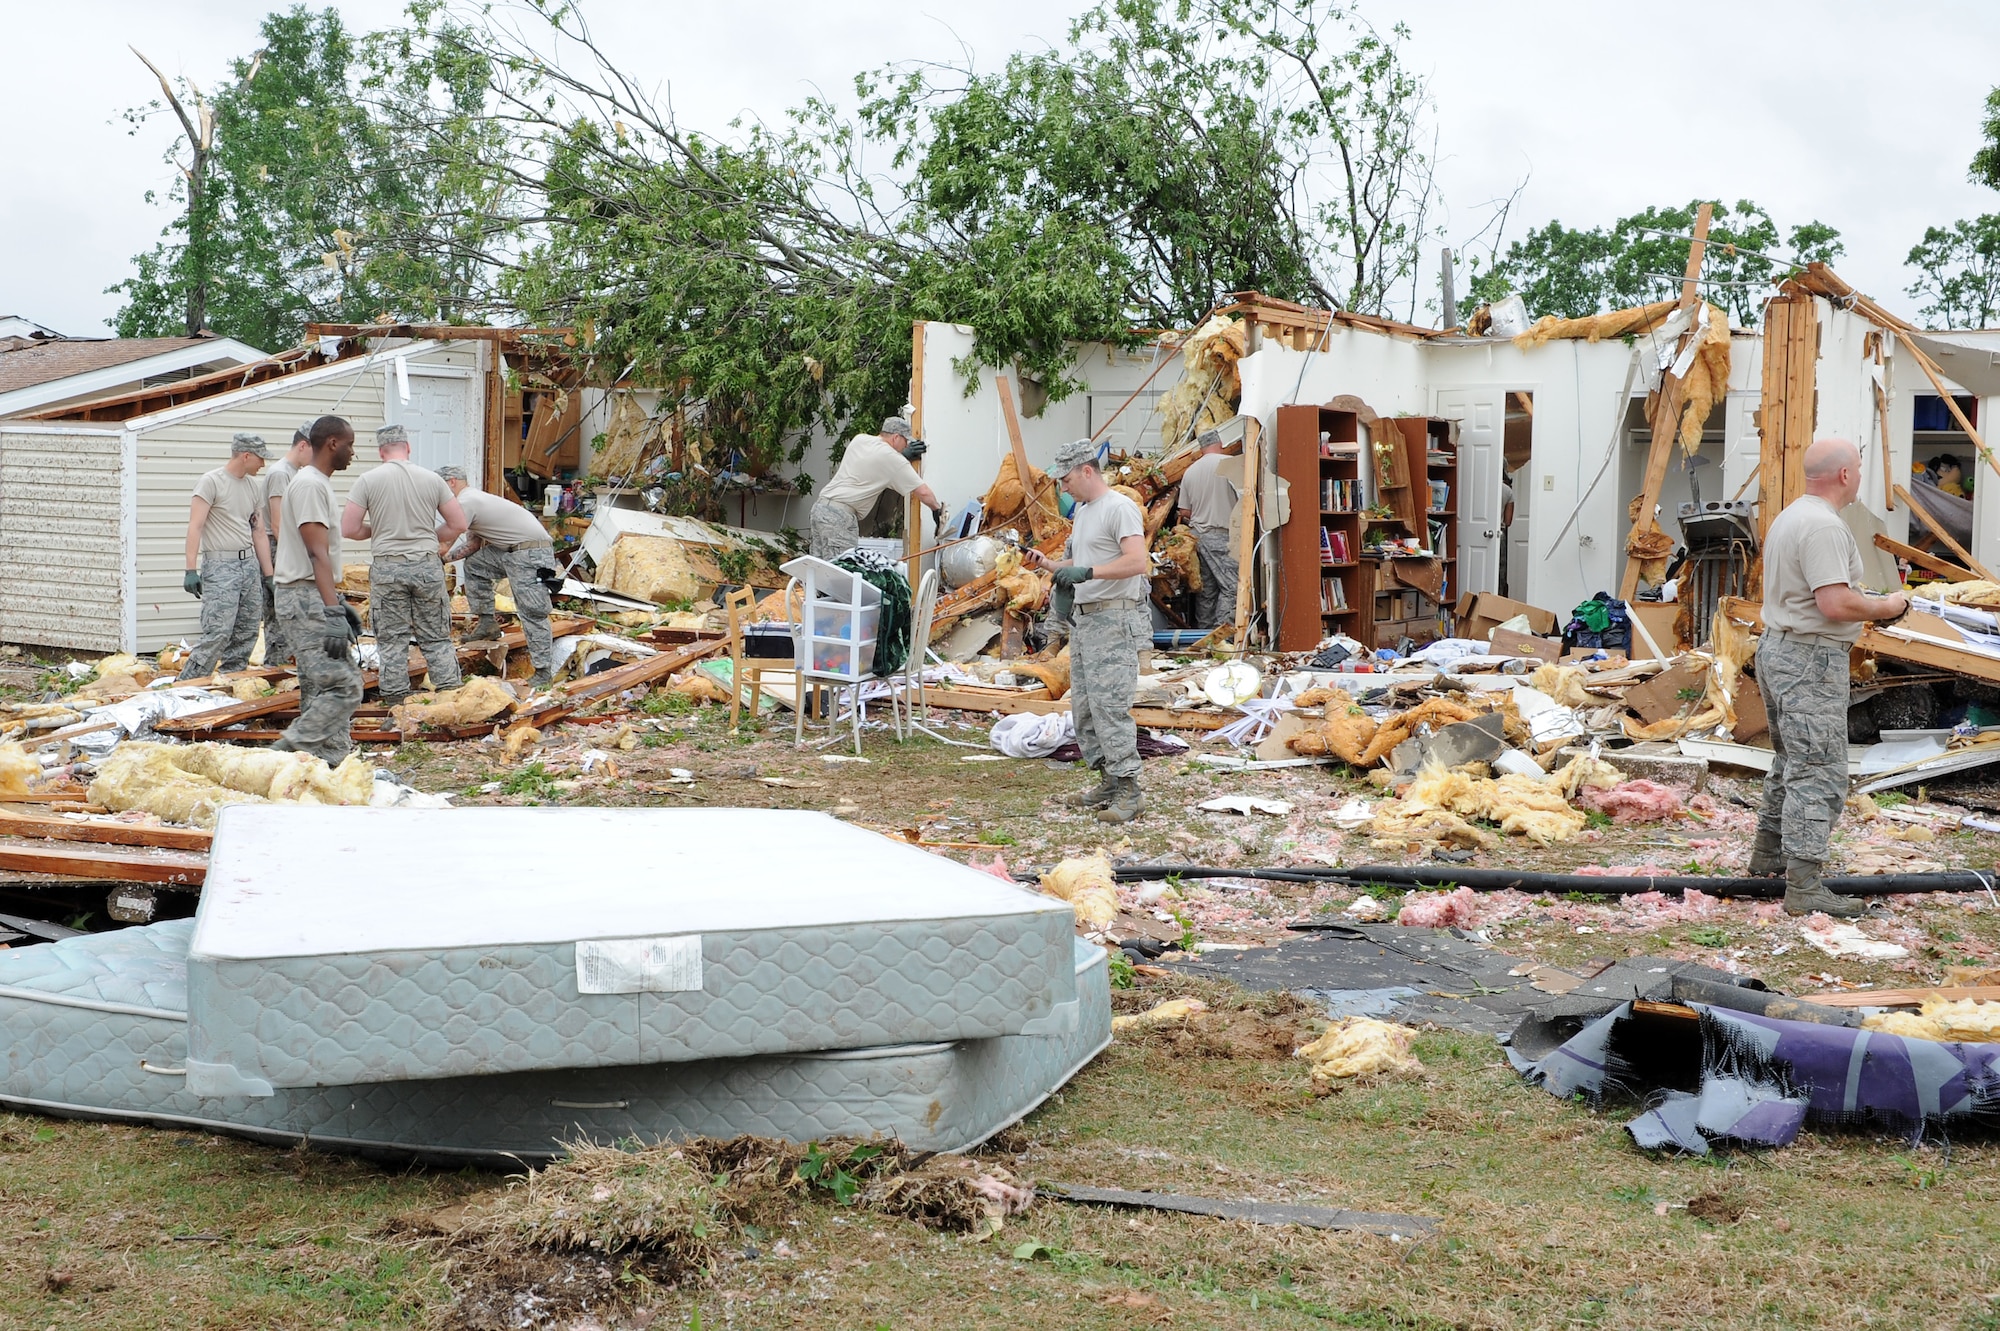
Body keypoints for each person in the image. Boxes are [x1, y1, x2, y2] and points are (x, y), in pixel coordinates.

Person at [1754, 437, 1911, 917]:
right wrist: (1886, 605)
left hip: (1781, 650)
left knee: (1792, 760)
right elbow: (1834, 603)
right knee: (1818, 769)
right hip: (1809, 659)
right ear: (1844, 474)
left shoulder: (1793, 515)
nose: (1861, 475)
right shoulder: (1824, 526)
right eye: (1860, 467)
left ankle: (1767, 858)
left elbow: (1828, 594)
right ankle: (1803, 887)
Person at [1025, 439, 1151, 824]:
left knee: (1110, 707)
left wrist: (1089, 573)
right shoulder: (1084, 511)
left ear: (1086, 470)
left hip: (1113, 620)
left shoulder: (1120, 508)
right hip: (1086, 622)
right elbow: (1083, 561)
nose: (1063, 488)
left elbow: (1137, 561)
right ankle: (1109, 780)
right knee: (1085, 708)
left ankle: (1130, 790)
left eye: (1065, 480)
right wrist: (1048, 563)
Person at [341, 425, 468, 708]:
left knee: (392, 640)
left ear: (381, 452)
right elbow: (459, 524)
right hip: (426, 566)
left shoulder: (367, 480)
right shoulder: (432, 480)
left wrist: (379, 530)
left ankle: (397, 703)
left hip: (388, 569)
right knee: (436, 637)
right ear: (408, 448)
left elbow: (348, 529)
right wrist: (425, 536)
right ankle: (450, 697)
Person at [272, 416, 364, 763]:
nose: (353, 452)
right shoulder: (310, 485)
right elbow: (316, 552)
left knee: (320, 687)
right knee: (344, 686)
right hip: (303, 597)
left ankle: (330, 763)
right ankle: (287, 751)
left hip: (311, 595)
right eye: (350, 444)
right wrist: (332, 609)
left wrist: (336, 599)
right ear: (332, 444)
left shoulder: (316, 482)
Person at [438, 466, 559, 690]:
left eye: (438, 487)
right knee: (475, 566)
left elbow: (445, 541)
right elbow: (473, 546)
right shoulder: (473, 501)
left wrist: (425, 554)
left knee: (532, 612)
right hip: (511, 552)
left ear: (452, 482)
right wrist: (444, 560)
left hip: (529, 552)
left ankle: (543, 673)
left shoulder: (466, 502)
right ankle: (487, 623)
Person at [176, 433, 274, 679]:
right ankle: (188, 684)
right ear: (246, 455)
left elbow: (259, 531)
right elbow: (195, 526)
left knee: (247, 629)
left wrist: (269, 574)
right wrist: (190, 569)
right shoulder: (211, 482)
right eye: (260, 458)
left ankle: (232, 680)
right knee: (219, 631)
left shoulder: (253, 487)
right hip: (221, 564)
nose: (263, 464)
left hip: (248, 564)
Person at [809, 415, 943, 560]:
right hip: (839, 518)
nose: (906, 446)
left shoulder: (859, 440)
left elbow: (872, 460)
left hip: (820, 509)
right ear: (896, 437)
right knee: (839, 572)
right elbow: (923, 492)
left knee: (818, 569)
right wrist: (936, 509)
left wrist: (902, 455)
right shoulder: (893, 460)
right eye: (906, 441)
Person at [257, 423, 314, 667]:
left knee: (293, 614)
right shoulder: (281, 473)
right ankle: (276, 666)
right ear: (303, 445)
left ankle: (286, 664)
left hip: (287, 547)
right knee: (280, 615)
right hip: (278, 548)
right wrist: (294, 557)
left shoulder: (295, 472)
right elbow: (278, 523)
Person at [1175, 429, 1240, 628]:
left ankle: (1204, 635)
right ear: (1220, 443)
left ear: (1201, 448)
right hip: (1223, 537)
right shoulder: (1230, 465)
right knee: (1231, 588)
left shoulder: (1190, 471)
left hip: (1197, 539)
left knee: (1206, 591)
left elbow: (1184, 510)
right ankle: (1222, 636)